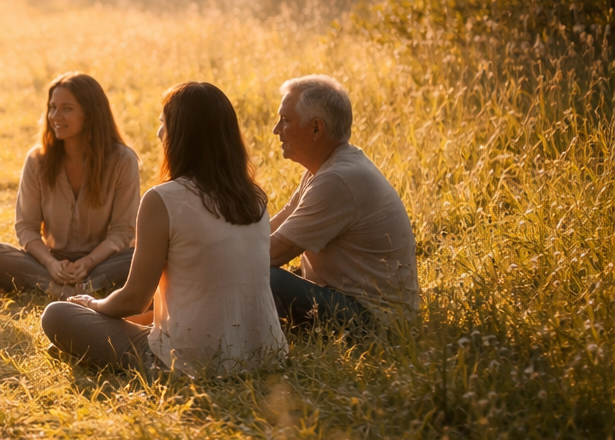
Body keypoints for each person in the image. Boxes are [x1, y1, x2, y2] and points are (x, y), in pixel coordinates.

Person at [42, 82, 286, 376]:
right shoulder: (255, 198)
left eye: (163, 124)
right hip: (265, 353)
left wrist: (93, 304)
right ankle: (86, 343)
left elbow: (134, 298)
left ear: (183, 135)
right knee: (99, 323)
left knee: (57, 314)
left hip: (189, 359)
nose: (159, 134)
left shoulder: (163, 199)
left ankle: (84, 343)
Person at [267, 75, 420, 331]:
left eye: (285, 120)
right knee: (255, 273)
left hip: (375, 319)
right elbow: (276, 227)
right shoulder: (326, 168)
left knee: (262, 277)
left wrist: (207, 260)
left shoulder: (338, 179)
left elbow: (273, 253)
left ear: (316, 128)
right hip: (346, 300)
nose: (276, 129)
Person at [0, 72, 140, 300]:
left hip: (102, 262)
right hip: (49, 262)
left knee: (146, 256)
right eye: (52, 107)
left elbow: (124, 230)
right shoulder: (37, 160)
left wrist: (88, 262)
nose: (55, 116)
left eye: (67, 108)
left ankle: (48, 288)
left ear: (91, 113)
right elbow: (26, 227)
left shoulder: (123, 160)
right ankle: (72, 290)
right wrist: (51, 264)